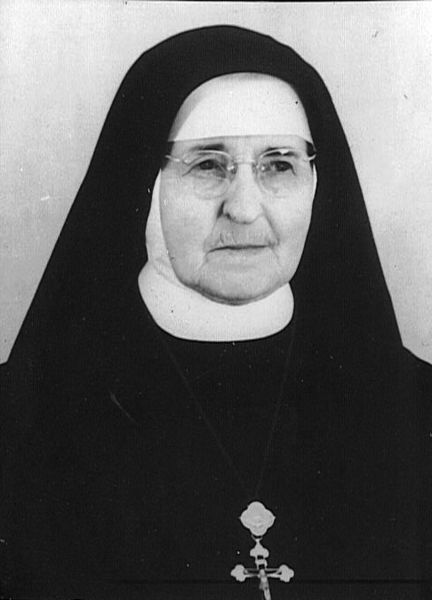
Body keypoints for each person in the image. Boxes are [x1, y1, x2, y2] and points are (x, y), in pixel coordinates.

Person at [1, 25, 430, 600]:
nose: (245, 209)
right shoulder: (22, 420)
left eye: (279, 165)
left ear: (316, 186)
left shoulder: (415, 405)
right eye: (208, 165)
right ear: (144, 185)